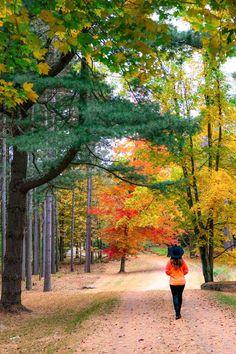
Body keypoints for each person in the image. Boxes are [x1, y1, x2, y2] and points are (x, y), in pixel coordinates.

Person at [165, 245, 189, 320]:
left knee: (175, 296)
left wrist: (171, 274)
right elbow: (186, 270)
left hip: (173, 282)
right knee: (180, 296)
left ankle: (177, 313)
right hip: (182, 282)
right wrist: (181, 275)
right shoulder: (182, 261)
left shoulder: (170, 262)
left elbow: (166, 271)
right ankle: (179, 312)